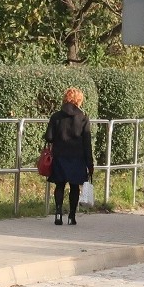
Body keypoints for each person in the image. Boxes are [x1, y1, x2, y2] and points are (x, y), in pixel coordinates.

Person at [45, 87, 94, 226]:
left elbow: (49, 137)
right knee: (74, 187)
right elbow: (87, 143)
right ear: (79, 100)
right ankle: (72, 216)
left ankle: (58, 213)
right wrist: (90, 163)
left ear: (65, 98)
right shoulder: (83, 118)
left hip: (60, 156)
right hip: (77, 158)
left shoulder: (56, 117)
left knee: (59, 185)